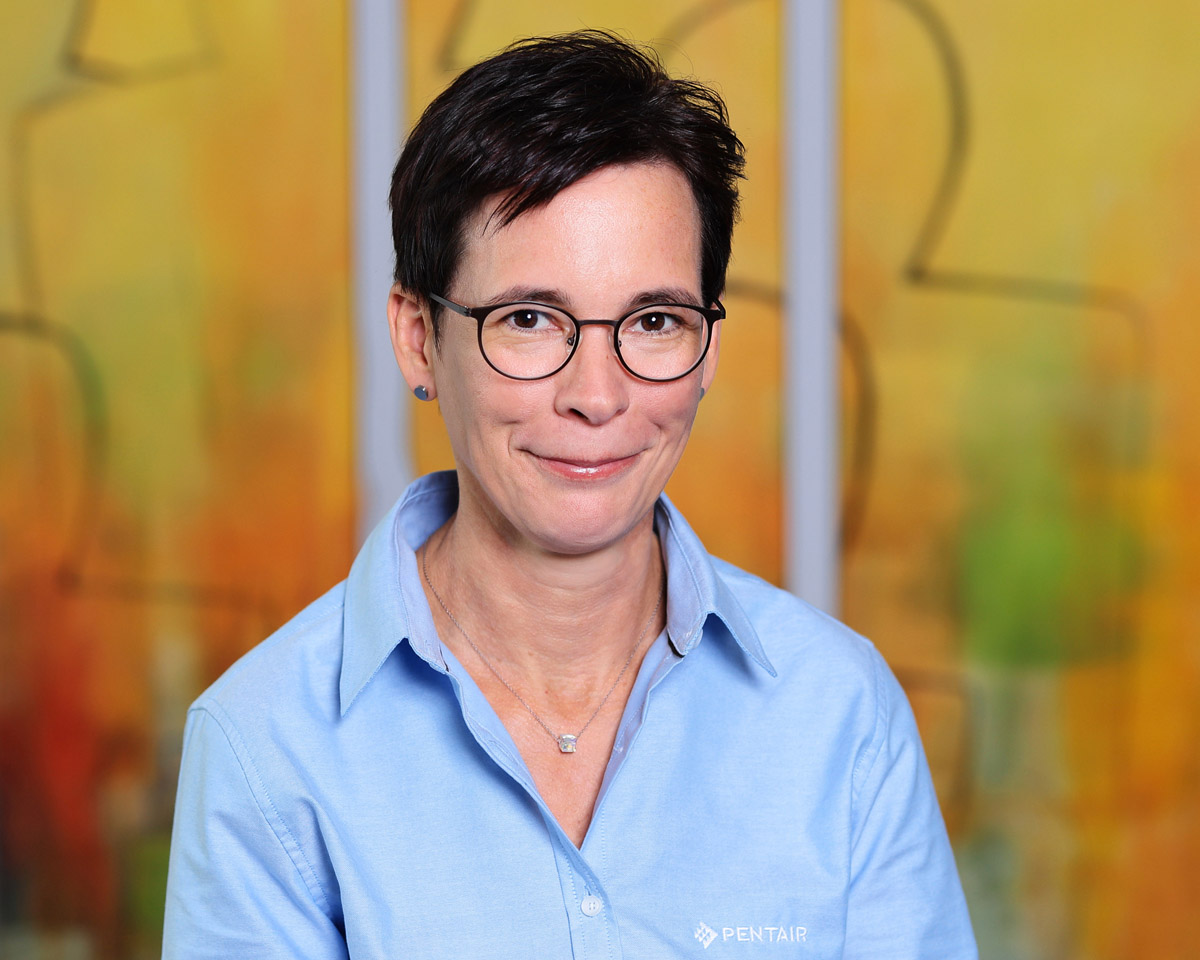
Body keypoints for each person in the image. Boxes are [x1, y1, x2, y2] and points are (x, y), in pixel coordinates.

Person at [162, 31, 976, 959]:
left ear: (708, 349)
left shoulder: (842, 715)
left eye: (655, 320)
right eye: (529, 319)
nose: (597, 395)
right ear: (419, 338)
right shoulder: (265, 746)